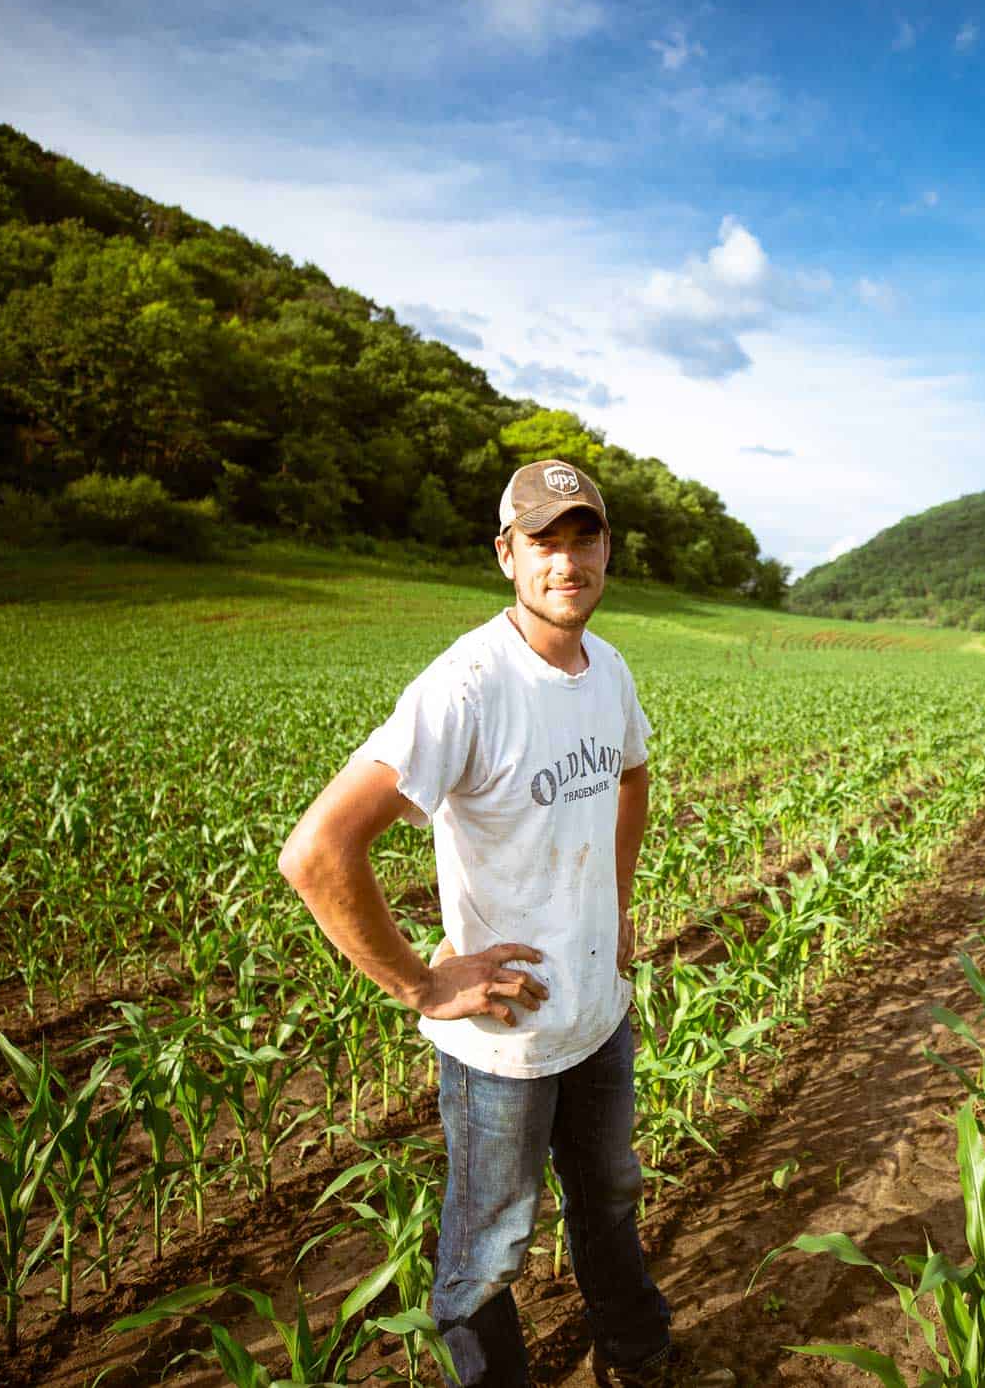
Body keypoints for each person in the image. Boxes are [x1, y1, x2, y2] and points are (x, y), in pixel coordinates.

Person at [278, 460, 733, 1388]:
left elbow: (632, 775)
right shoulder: (469, 686)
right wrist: (421, 982)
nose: (566, 561)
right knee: (489, 1250)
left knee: (609, 1201)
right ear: (506, 555)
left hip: (598, 1016)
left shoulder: (608, 668)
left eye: (584, 537)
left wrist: (615, 900)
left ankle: (638, 1364)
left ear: (607, 549)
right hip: (506, 1043)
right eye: (543, 541)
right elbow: (318, 851)